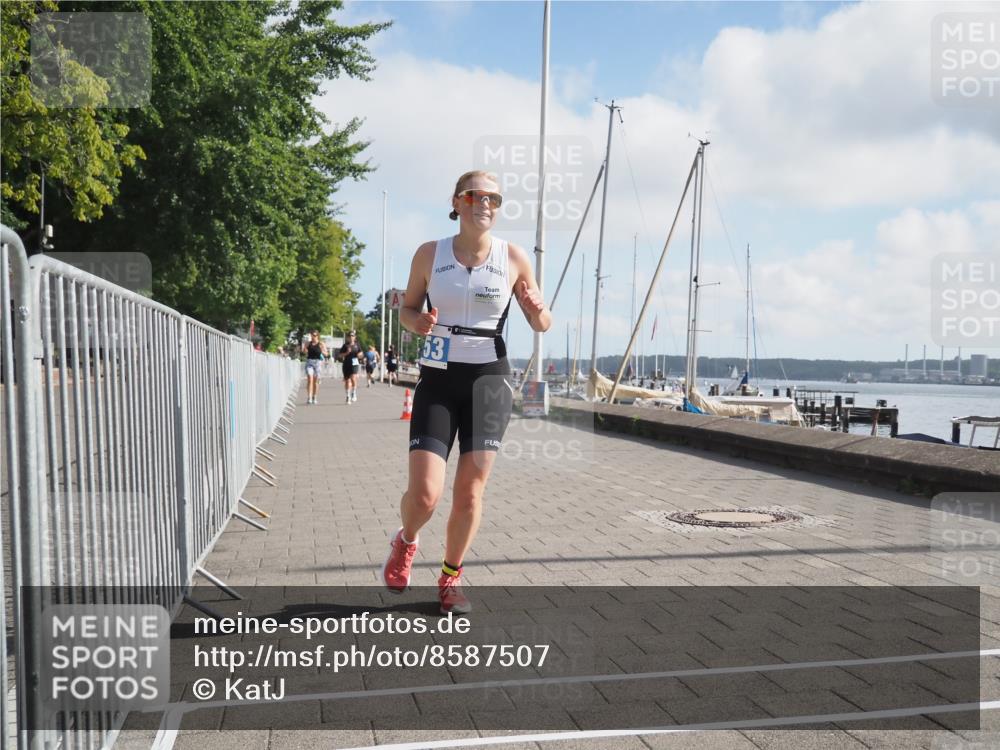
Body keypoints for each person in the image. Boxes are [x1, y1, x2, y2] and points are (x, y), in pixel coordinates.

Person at [381, 170, 551, 614]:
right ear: (457, 202)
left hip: (489, 382)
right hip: (438, 380)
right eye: (476, 195)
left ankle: (450, 578)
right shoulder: (428, 254)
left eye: (494, 197)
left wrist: (536, 311)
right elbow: (408, 309)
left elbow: (541, 321)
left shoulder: (513, 257)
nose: (486, 203)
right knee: (425, 496)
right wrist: (414, 322)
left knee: (470, 492)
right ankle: (406, 541)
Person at [300, 331, 327, 404]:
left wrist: (322, 351)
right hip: (309, 362)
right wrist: (305, 350)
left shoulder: (321, 344)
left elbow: (326, 353)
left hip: (318, 363)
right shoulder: (308, 343)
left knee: (315, 381)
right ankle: (309, 397)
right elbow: (303, 352)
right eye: (312, 335)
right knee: (310, 378)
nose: (313, 337)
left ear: (318, 336)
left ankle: (314, 396)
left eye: (314, 335)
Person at [337, 331, 362, 404]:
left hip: (354, 363)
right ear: (347, 338)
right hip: (346, 364)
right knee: (347, 381)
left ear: (355, 337)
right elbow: (340, 355)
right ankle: (348, 396)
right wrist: (346, 353)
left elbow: (361, 353)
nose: (351, 337)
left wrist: (360, 355)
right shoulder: (345, 346)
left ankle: (354, 392)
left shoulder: (357, 345)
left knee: (353, 377)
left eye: (352, 336)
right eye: (350, 336)